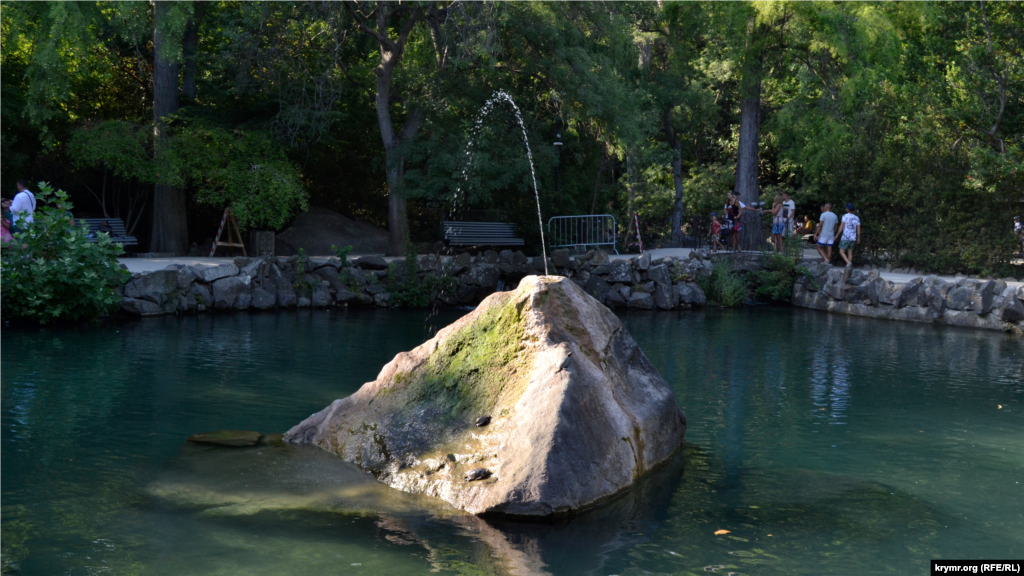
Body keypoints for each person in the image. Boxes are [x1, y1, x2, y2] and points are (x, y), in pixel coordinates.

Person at [836, 203, 861, 267]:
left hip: (845, 236)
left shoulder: (845, 216)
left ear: (848, 209)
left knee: (841, 251)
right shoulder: (857, 218)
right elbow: (858, 229)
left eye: (846, 208)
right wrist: (858, 238)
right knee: (850, 253)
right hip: (853, 237)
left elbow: (841, 227)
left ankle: (848, 263)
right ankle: (848, 267)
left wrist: (837, 235)